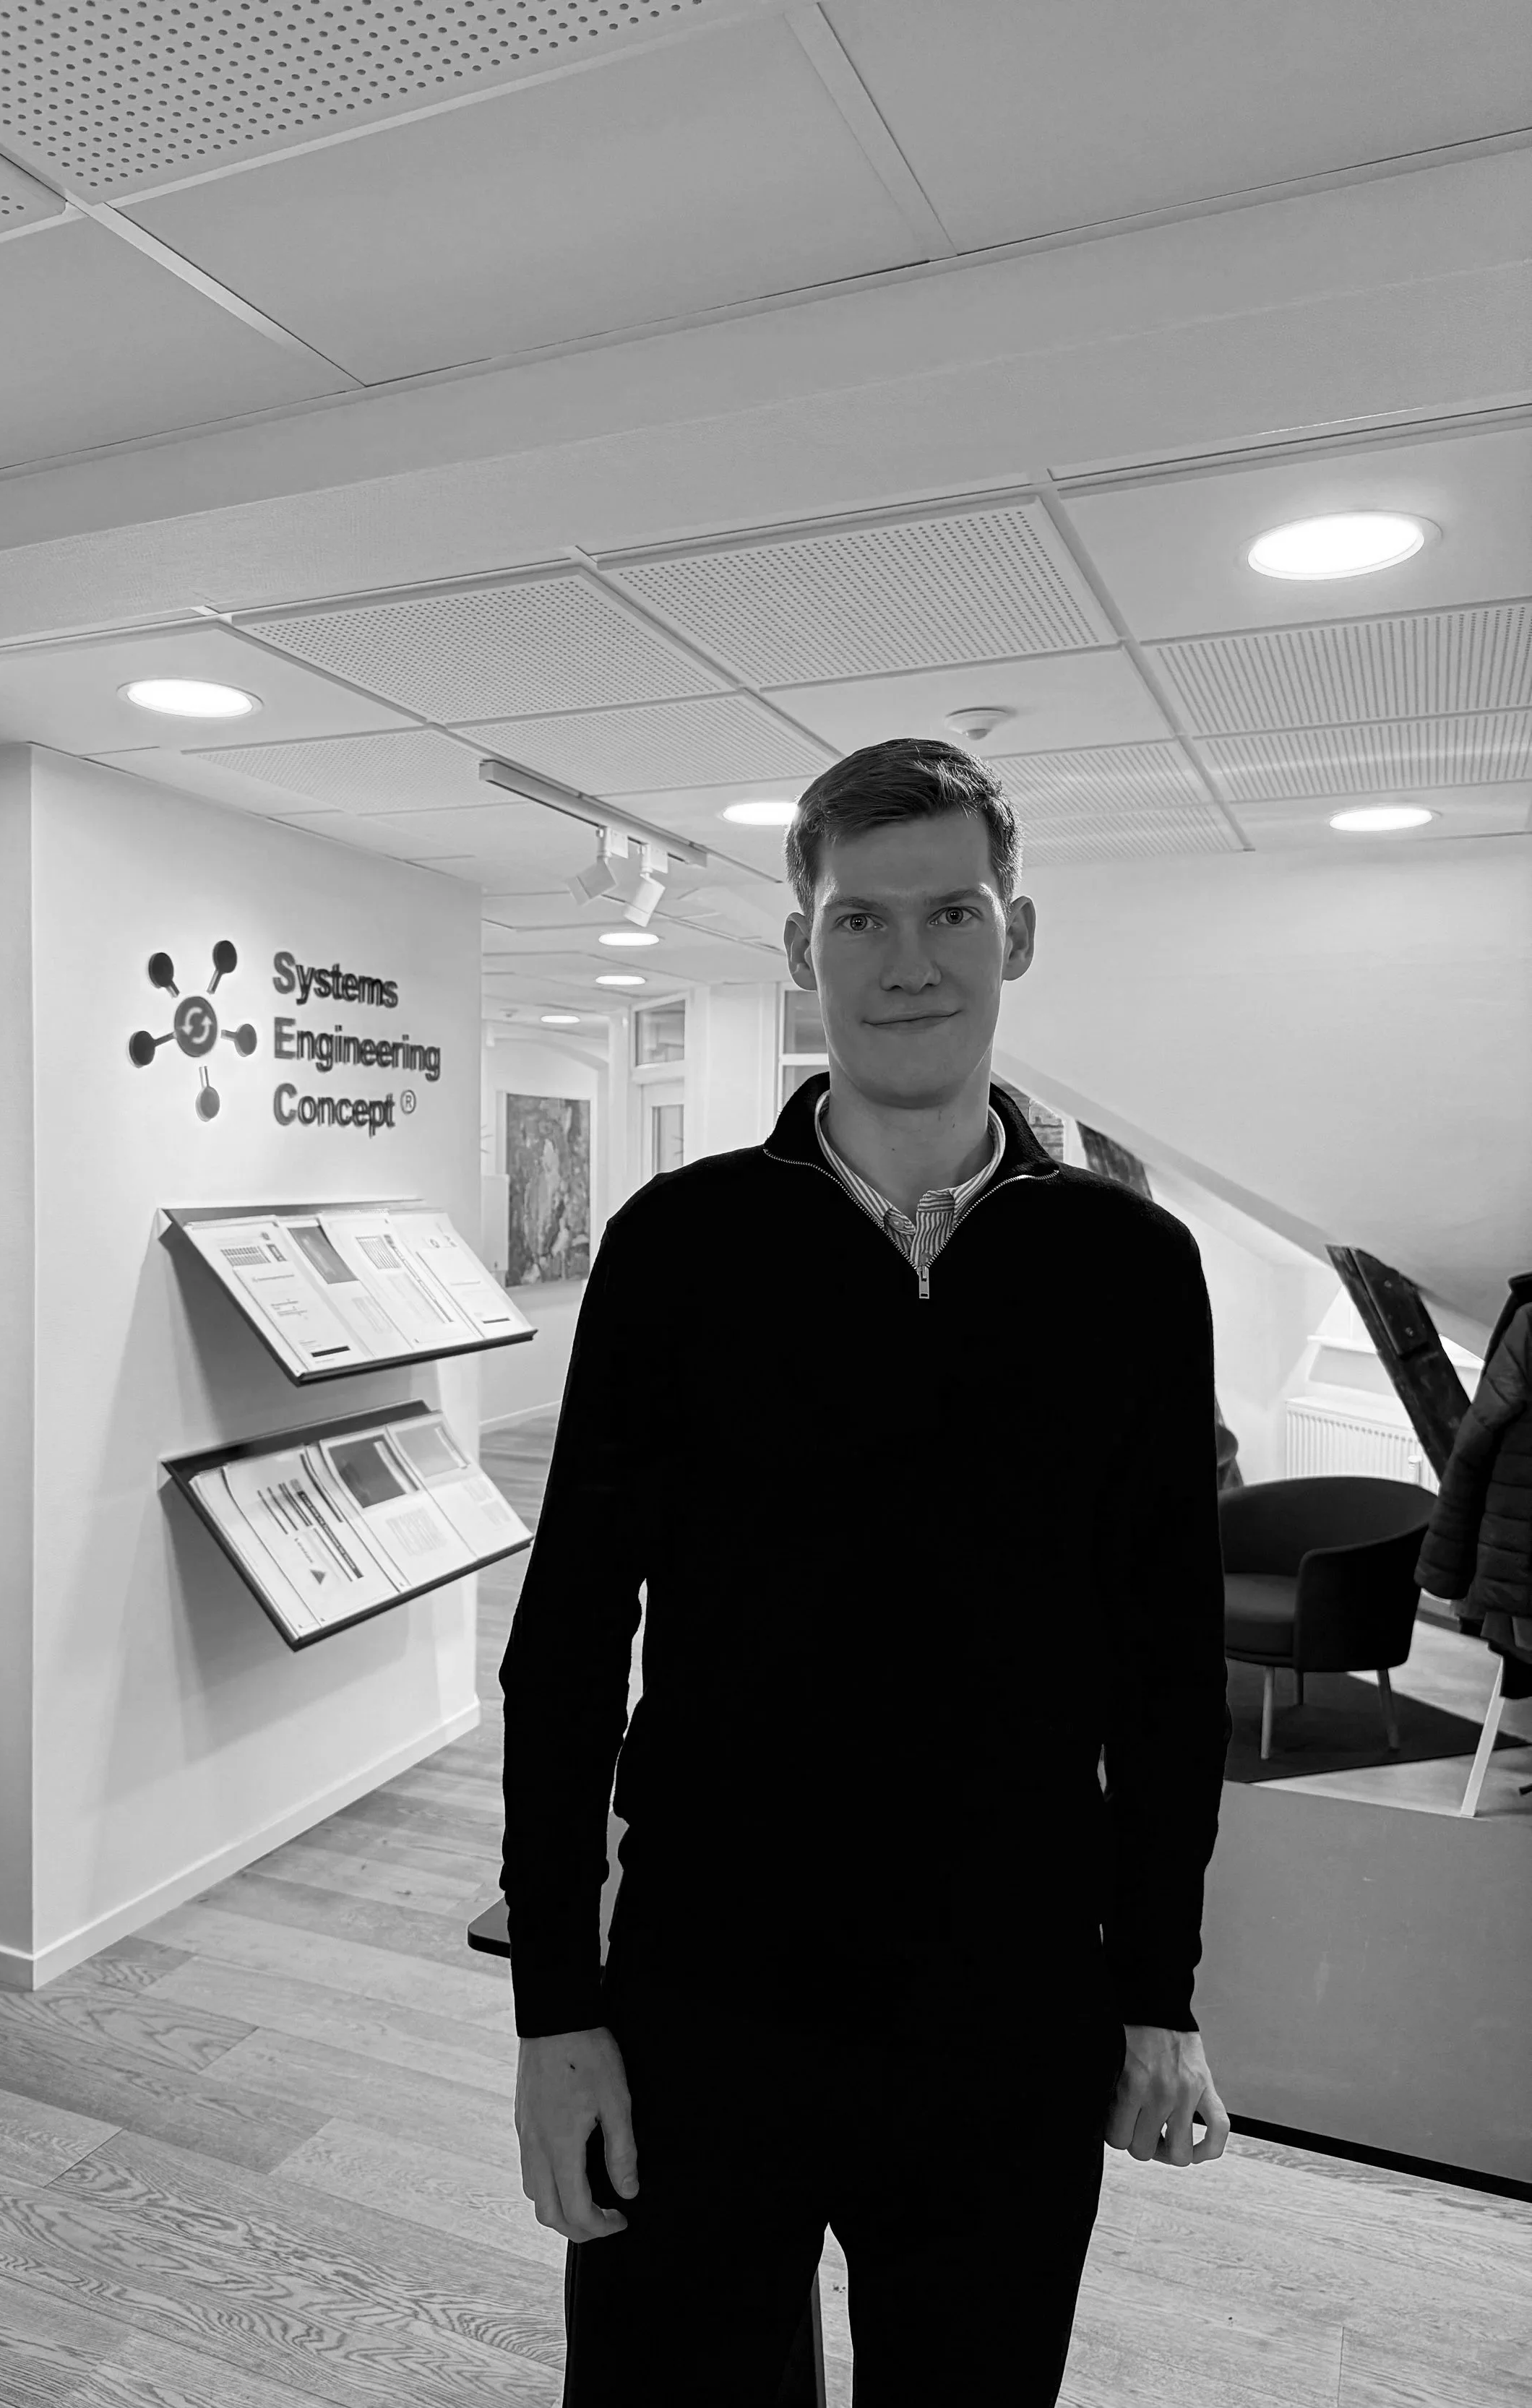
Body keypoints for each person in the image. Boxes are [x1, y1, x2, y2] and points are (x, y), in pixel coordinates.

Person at [499, 738, 1233, 2407]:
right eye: (857, 921)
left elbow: (1165, 1660)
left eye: (951, 912)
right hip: (703, 1996)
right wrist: (554, 2009)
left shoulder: (1129, 1266)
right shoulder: (677, 1250)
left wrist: (1155, 1994)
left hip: (1009, 2002)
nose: (908, 963)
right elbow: (562, 1646)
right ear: (797, 947)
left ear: (1015, 931)